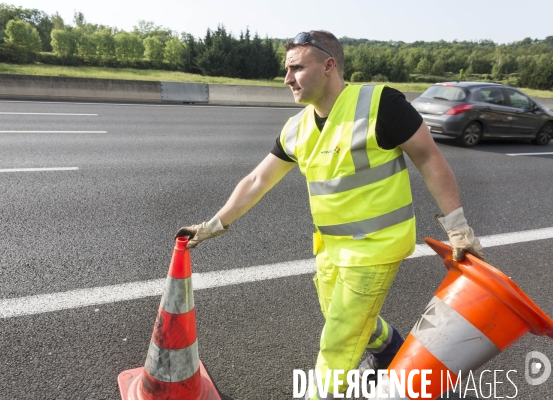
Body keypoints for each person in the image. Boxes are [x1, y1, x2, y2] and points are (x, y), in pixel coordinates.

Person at [175, 30, 484, 399]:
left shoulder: (379, 104)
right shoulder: (297, 128)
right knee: (340, 315)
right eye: (286, 70)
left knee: (338, 340)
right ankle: (392, 351)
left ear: (328, 66)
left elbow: (429, 157)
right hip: (330, 248)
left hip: (375, 250)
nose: (287, 78)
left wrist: (458, 228)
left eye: (296, 68)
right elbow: (258, 179)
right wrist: (213, 225)